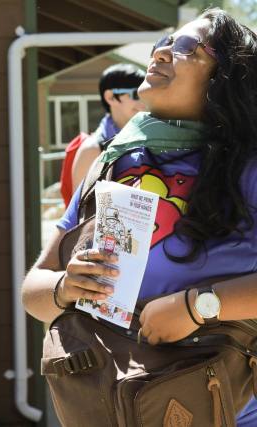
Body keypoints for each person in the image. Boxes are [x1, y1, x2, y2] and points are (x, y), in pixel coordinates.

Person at [21, 9, 257, 425]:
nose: (162, 53)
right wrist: (65, 286)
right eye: (162, 43)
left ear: (227, 79)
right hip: (112, 400)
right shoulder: (116, 160)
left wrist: (198, 306)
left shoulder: (248, 168)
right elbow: (33, 291)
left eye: (186, 47)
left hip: (225, 406)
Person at [59, 63, 145, 206]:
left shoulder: (149, 139)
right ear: (110, 97)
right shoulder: (92, 149)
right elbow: (79, 212)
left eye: (145, 93)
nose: (143, 101)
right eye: (136, 94)